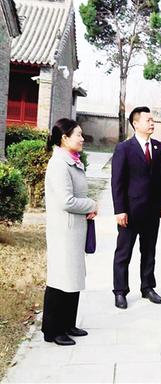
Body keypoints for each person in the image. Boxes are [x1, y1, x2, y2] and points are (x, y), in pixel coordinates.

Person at [43, 118, 97, 346]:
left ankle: (67, 324)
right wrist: (91, 204)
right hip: (63, 231)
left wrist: (87, 207)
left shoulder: (72, 160)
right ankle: (52, 330)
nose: (82, 139)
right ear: (64, 138)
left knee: (73, 276)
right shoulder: (59, 164)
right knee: (60, 278)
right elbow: (66, 201)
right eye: (78, 135)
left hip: (74, 229)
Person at [111, 106, 161, 309]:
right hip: (130, 211)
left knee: (149, 251)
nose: (152, 123)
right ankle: (120, 291)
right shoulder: (124, 148)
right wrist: (120, 210)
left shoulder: (159, 148)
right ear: (135, 124)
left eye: (153, 120)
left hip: (152, 210)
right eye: (148, 120)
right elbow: (117, 181)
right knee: (123, 253)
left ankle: (147, 287)